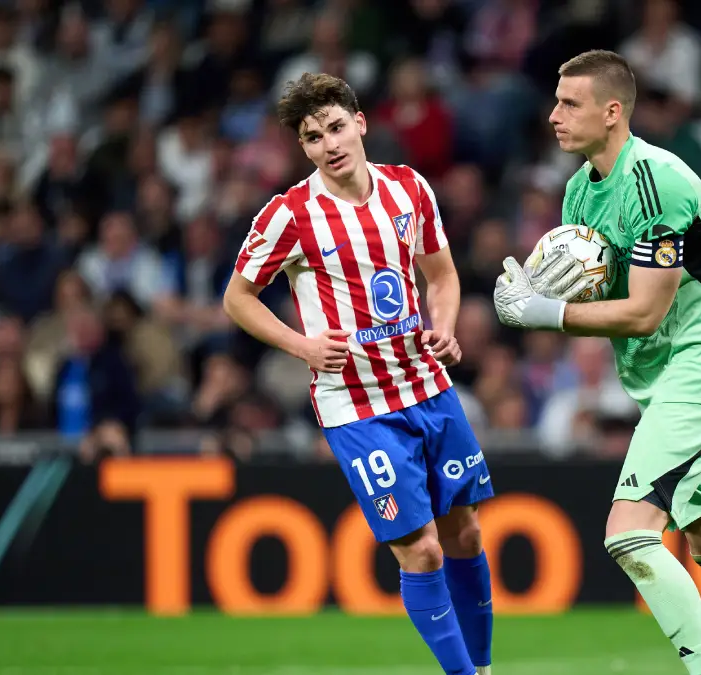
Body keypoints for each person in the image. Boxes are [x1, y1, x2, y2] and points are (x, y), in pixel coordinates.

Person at [493, 50, 701, 675]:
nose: (554, 116)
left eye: (570, 104)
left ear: (613, 111)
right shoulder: (576, 192)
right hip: (656, 379)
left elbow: (645, 310)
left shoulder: (657, 181)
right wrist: (548, 288)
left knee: (629, 533)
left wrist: (545, 313)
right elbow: (601, 297)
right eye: (556, 101)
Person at [223, 73, 493, 675]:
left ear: (361, 122)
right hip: (358, 406)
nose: (329, 144)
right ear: (303, 147)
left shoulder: (409, 189)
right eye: (313, 137)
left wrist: (444, 326)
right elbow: (237, 298)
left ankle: (485, 667)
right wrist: (302, 346)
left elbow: (441, 276)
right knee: (421, 552)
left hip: (428, 387)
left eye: (337, 127)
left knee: (466, 536)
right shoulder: (290, 214)